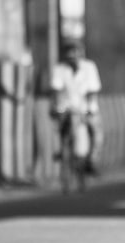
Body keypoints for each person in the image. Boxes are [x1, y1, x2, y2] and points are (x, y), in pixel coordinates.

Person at [50, 40, 104, 173]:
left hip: (85, 107)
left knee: (96, 132)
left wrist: (90, 107)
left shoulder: (89, 67)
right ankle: (60, 151)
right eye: (70, 55)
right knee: (56, 128)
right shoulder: (59, 69)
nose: (73, 58)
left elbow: (93, 90)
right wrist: (58, 107)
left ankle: (92, 159)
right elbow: (57, 89)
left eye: (76, 54)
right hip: (66, 107)